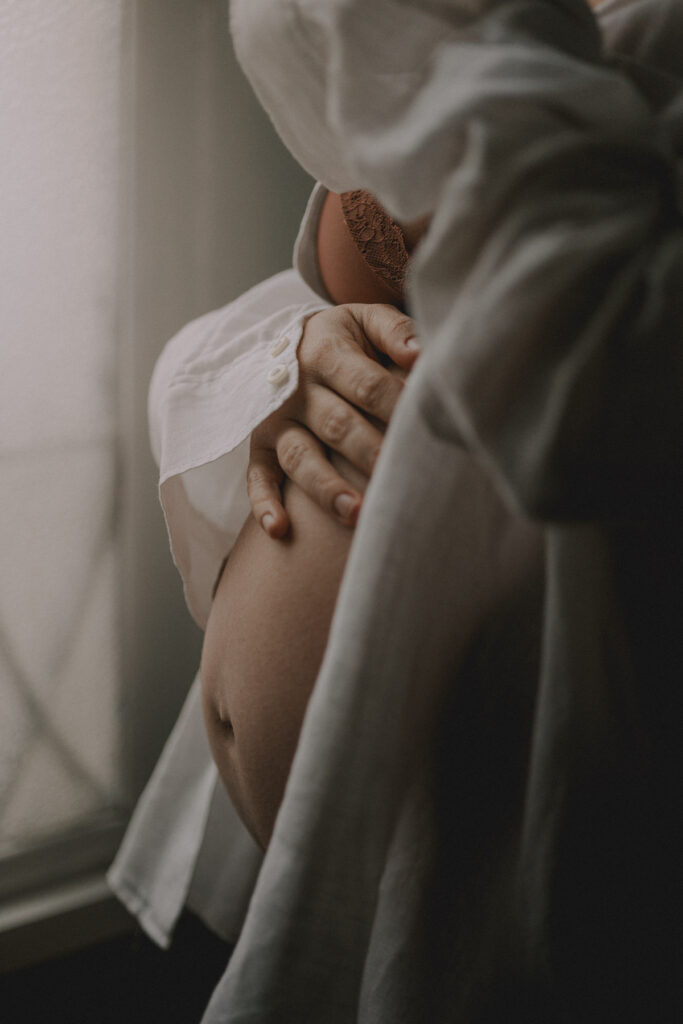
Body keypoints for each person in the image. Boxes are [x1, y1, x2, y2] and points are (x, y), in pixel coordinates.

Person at [112, 0, 683, 1020]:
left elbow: (580, 391)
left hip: (529, 905)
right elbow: (298, 307)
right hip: (301, 881)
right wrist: (287, 366)